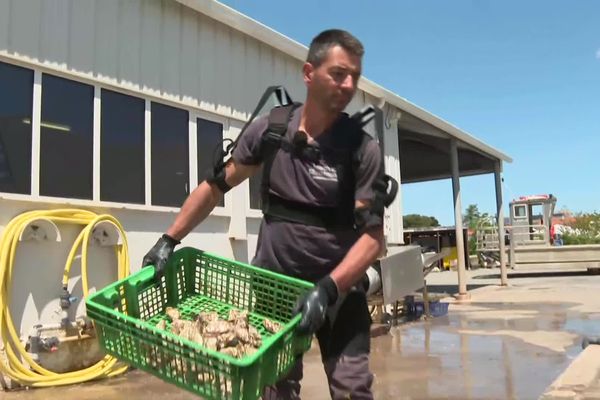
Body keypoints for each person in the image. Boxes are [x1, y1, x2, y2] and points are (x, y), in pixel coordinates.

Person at [142, 29, 388, 399]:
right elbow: (214, 188)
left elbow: (373, 239)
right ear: (309, 73)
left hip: (339, 293)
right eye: (339, 73)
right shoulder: (272, 131)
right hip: (276, 289)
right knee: (276, 390)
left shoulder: (361, 150)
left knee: (353, 389)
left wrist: (328, 288)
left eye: (355, 75)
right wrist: (168, 239)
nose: (349, 84)